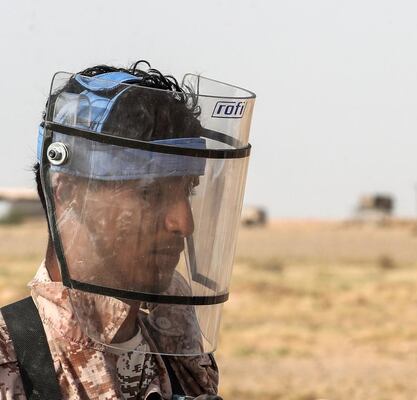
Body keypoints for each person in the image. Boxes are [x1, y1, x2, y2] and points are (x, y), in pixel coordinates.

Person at [0, 61, 255, 399]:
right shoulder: (12, 357)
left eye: (188, 190)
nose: (183, 223)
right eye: (150, 193)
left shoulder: (180, 351)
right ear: (69, 192)